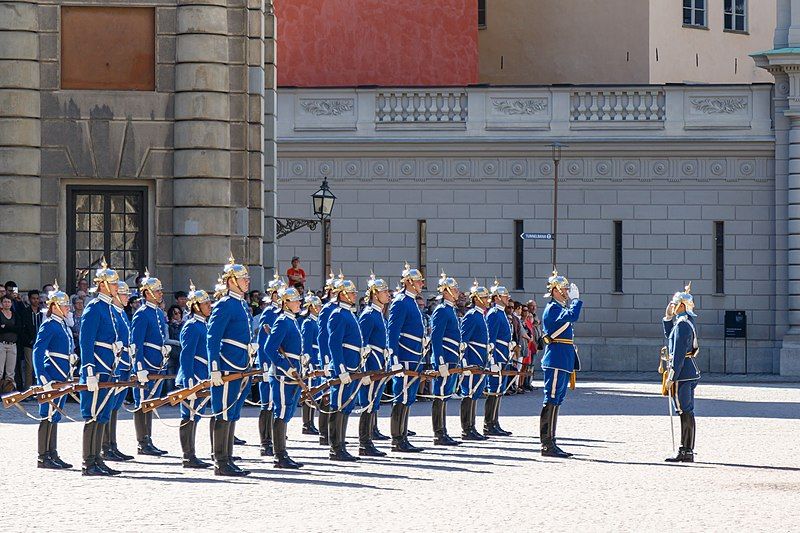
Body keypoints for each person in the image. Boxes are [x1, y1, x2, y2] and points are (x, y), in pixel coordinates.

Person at [207, 254, 257, 477]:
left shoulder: (241, 305)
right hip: (227, 365)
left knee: (232, 411)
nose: (247, 281)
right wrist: (215, 367)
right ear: (231, 281)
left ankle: (227, 456)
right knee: (223, 411)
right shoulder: (225, 304)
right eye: (243, 278)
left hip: (240, 364)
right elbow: (213, 338)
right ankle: (220, 461)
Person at [78, 259, 122, 476]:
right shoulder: (94, 307)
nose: (117, 287)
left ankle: (98, 458)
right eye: (114, 284)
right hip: (96, 369)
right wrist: (88, 370)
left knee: (102, 414)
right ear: (103, 285)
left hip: (108, 368)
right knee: (92, 415)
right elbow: (86, 341)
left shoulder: (109, 308)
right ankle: (89, 461)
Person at [31, 281, 75, 469]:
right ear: (55, 306)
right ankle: (43, 456)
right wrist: (43, 378)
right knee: (46, 414)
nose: (67, 308)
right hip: (51, 374)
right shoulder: (49, 324)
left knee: (55, 414)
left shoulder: (62, 324)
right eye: (65, 305)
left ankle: (52, 453)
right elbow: (37, 351)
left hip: (62, 375)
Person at [539, 270, 582, 458]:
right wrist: (576, 301)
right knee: (551, 399)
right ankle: (547, 444)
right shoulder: (553, 308)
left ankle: (552, 441)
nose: (566, 291)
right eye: (564, 288)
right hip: (555, 359)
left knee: (557, 401)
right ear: (555, 290)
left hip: (562, 358)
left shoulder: (558, 307)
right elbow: (572, 316)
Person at [262, 286, 305, 469]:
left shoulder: (292, 321)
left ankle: (283, 453)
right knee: (280, 411)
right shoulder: (282, 321)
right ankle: (279, 455)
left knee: (287, 411)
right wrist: (286, 368)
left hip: (292, 373)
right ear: (285, 303)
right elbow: (269, 348)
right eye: (295, 300)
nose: (299, 303)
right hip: (282, 375)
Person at [387, 262, 426, 453]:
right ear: (409, 282)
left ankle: (403, 435)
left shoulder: (410, 301)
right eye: (418, 281)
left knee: (408, 398)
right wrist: (393, 358)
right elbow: (393, 332)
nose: (421, 284)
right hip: (403, 357)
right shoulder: (401, 301)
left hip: (413, 356)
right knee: (400, 397)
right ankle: (397, 439)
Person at [131, 269, 170, 456]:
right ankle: (142, 442)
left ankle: (149, 439)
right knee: (142, 403)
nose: (161, 293)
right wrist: (139, 367)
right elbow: (136, 344)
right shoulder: (142, 313)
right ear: (147, 293)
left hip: (156, 365)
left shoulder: (158, 313)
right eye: (157, 290)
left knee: (151, 403)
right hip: (145, 365)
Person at [175, 281, 213, 469]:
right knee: (188, 416)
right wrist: (189, 380)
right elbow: (187, 355)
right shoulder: (191, 326)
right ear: (196, 306)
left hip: (201, 376)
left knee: (195, 416)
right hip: (193, 377)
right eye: (206, 304)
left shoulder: (203, 325)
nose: (209, 306)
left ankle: (192, 454)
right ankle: (188, 456)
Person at [326, 276, 364, 461]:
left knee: (346, 406)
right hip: (344, 367)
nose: (354, 295)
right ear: (342, 294)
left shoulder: (349, 313)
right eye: (350, 292)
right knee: (338, 406)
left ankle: (341, 444)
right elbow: (334, 343)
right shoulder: (338, 314)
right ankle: (335, 447)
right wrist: (340, 368)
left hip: (352, 365)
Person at [663, 283, 700, 463]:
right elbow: (672, 338)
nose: (672, 306)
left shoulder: (683, 324)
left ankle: (685, 450)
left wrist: (672, 376)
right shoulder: (684, 322)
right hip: (689, 370)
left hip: (682, 372)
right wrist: (667, 318)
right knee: (687, 411)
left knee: (684, 411)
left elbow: (677, 352)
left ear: (682, 305)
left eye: (674, 303)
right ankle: (687, 450)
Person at [356, 273, 391, 457]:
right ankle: (364, 442)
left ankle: (369, 439)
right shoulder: (369, 315)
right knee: (367, 404)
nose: (388, 294)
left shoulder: (379, 314)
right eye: (384, 291)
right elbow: (363, 344)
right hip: (371, 366)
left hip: (379, 364)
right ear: (375, 294)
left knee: (373, 403)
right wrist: (365, 371)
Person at [100, 281, 135, 463]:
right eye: (124, 294)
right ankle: (106, 446)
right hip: (116, 365)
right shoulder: (113, 312)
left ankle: (112, 444)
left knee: (115, 407)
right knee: (109, 405)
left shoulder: (121, 313)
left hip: (124, 364)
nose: (127, 298)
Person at [428, 272, 462, 446]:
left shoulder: (450, 309)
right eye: (454, 288)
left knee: (445, 395)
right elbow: (436, 337)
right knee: (440, 395)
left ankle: (443, 431)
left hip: (452, 357)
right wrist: (440, 361)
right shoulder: (441, 310)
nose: (457, 291)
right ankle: (439, 433)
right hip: (445, 358)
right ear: (446, 290)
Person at [255, 273, 287, 457]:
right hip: (269, 365)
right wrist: (265, 367)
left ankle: (275, 439)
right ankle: (265, 442)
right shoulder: (269, 313)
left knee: (276, 403)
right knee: (266, 404)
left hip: (278, 365)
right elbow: (263, 342)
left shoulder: (281, 313)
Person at [459, 281, 491, 441]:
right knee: (469, 393)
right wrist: (464, 363)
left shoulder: (480, 315)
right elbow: (464, 341)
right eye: (485, 297)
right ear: (477, 298)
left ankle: (472, 426)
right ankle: (467, 429)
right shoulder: (471, 316)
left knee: (476, 393)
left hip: (479, 359)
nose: (487, 300)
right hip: (472, 360)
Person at [485, 280, 514, 437]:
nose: (507, 297)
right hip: (496, 357)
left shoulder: (502, 312)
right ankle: (489, 423)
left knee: (499, 390)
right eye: (504, 295)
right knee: (494, 389)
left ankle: (494, 422)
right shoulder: (495, 314)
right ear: (496, 297)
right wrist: (493, 360)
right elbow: (491, 339)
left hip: (503, 356)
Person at [315, 271, 339, 447]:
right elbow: (323, 337)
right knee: (327, 396)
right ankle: (324, 433)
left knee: (334, 396)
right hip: (328, 357)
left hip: (338, 357)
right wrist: (325, 360)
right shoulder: (327, 309)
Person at [299, 293, 323, 435]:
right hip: (312, 359)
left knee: (315, 391)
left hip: (317, 357)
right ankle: (307, 424)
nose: (320, 307)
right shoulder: (308, 322)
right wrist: (309, 363)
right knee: (309, 392)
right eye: (318, 305)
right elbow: (306, 345)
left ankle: (310, 422)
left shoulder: (315, 321)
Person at [20, 290, 43, 390]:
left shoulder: (42, 312)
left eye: (37, 298)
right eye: (33, 298)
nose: (36, 300)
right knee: (29, 367)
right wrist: (29, 341)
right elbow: (22, 329)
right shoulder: (25, 312)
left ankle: (40, 388)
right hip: (29, 343)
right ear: (29, 299)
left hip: (41, 343)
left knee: (40, 365)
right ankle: (28, 389)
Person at [0, 294, 20, 392]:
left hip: (12, 345)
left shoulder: (15, 315)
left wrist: (6, 326)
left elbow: (18, 328)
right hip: (1, 344)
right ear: (1, 303)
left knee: (10, 372)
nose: (7, 304)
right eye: (5, 302)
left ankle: (8, 392)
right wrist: (11, 328)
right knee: (0, 370)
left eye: (8, 302)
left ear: (11, 304)